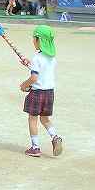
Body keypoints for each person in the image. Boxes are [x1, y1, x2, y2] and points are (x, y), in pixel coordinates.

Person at [20, 25, 64, 158]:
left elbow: (34, 77)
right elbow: (43, 70)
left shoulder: (37, 58)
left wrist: (24, 85)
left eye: (34, 38)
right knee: (45, 119)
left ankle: (35, 147)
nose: (33, 41)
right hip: (49, 92)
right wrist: (29, 64)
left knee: (32, 119)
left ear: (39, 40)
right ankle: (55, 137)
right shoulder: (52, 58)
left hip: (37, 92)